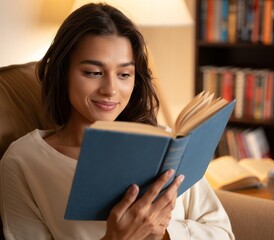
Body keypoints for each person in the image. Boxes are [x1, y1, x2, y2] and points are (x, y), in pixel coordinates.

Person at [0, 3, 234, 240]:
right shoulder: (24, 161)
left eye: (124, 74)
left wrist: (164, 234)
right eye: (93, 72)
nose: (111, 90)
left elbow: (223, 233)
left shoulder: (164, 147)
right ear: (63, 72)